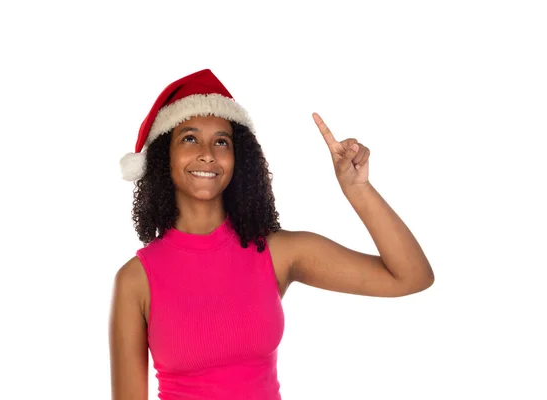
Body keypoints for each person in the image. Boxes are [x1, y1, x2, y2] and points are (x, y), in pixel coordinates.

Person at [108, 69, 434, 400]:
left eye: (222, 141)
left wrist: (357, 188)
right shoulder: (136, 280)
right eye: (189, 138)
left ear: (239, 157)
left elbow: (411, 277)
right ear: (164, 155)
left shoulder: (276, 252)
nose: (208, 152)